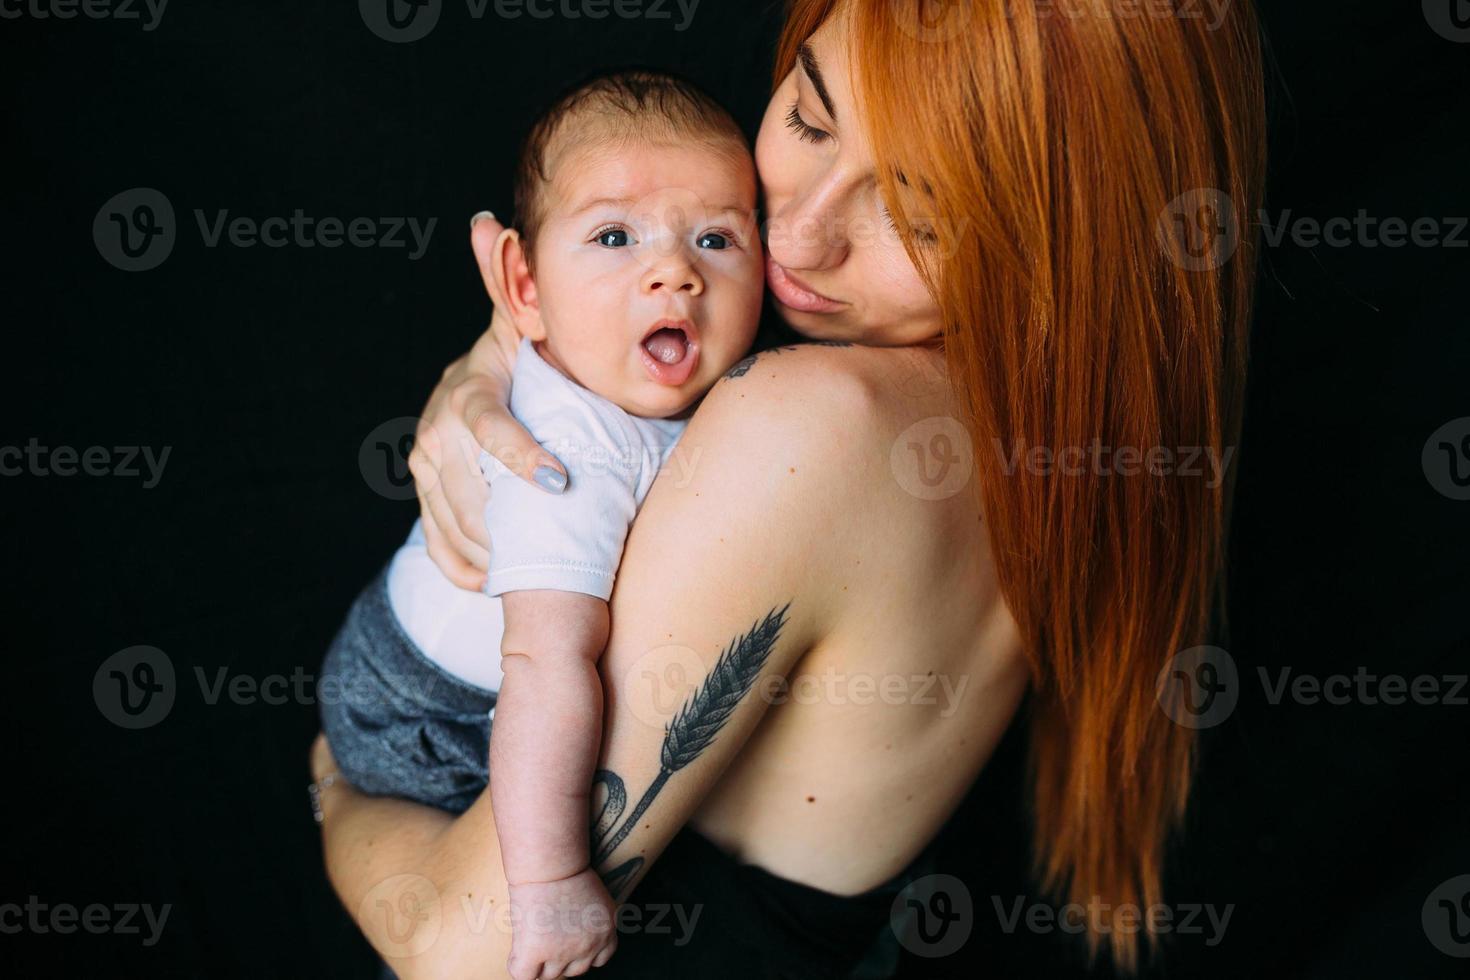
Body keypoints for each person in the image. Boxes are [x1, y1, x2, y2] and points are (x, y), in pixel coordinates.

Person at [311, 1, 1266, 977]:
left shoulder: (814, 423)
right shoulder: (1058, 451)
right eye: (809, 118)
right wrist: (501, 358)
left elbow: (456, 951)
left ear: (1067, 238)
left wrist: (336, 786)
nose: (799, 238)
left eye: (921, 210)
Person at [316, 71, 766, 980]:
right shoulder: (567, 453)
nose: (676, 269)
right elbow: (543, 664)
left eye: (717, 237)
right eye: (613, 235)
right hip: (424, 710)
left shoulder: (670, 388)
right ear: (522, 284)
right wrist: (554, 879)